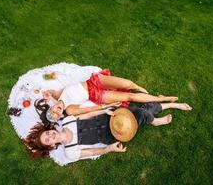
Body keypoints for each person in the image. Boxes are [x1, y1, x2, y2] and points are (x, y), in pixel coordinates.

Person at [23, 102, 192, 162]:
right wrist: (110, 148)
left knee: (138, 111)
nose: (50, 136)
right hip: (110, 134)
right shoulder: (69, 152)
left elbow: (88, 114)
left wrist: (105, 110)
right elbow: (93, 151)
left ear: (50, 130)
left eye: (47, 134)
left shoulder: (66, 120)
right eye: (47, 140)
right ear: (52, 145)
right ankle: (156, 120)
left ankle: (167, 107)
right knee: (139, 113)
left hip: (109, 119)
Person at [42, 69, 178, 121]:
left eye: (53, 111)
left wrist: (47, 93)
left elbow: (51, 92)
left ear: (52, 107)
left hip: (93, 81)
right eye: (57, 115)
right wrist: (107, 105)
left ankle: (137, 86)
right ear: (60, 115)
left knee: (127, 84)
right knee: (130, 97)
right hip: (96, 95)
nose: (57, 112)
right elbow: (89, 109)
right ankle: (163, 98)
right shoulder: (69, 110)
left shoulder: (57, 96)